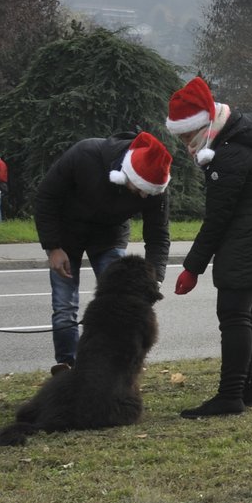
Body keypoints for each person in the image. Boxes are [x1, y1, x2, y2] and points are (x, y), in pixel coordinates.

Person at [164, 76, 252, 417]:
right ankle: (246, 389)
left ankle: (231, 395)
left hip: (248, 239)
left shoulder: (229, 153)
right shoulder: (244, 135)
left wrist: (192, 267)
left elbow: (217, 219)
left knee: (234, 315)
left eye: (186, 136)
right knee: (249, 313)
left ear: (203, 125)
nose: (184, 144)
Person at [33, 131, 174, 372]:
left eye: (149, 192)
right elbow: (45, 198)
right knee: (64, 306)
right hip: (66, 235)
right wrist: (53, 247)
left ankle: (118, 364)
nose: (143, 196)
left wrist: (155, 278)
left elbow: (158, 235)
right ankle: (67, 366)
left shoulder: (154, 189)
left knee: (124, 302)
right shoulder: (85, 154)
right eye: (140, 189)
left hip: (109, 237)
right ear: (126, 173)